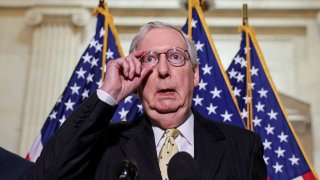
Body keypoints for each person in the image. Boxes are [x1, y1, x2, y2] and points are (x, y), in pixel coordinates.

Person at [32, 21, 266, 180]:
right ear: (136, 76)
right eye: (150, 59)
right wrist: (108, 94)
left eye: (175, 57)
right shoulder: (103, 146)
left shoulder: (243, 147)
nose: (163, 70)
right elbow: (47, 175)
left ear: (194, 74)